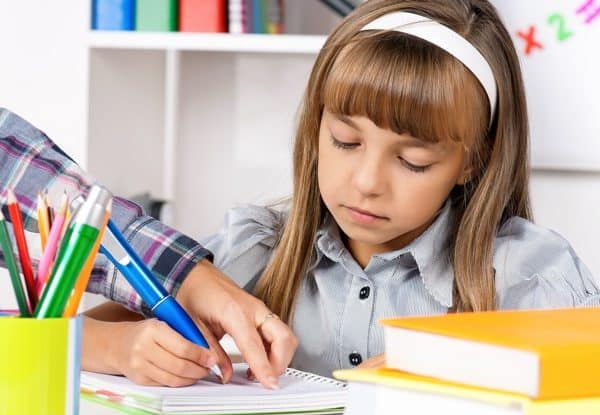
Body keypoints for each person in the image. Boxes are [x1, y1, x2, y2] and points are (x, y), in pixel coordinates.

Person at [0, 109, 297, 389]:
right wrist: (108, 346)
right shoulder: (254, 244)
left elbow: (19, 171)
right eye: (342, 141)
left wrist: (192, 278)